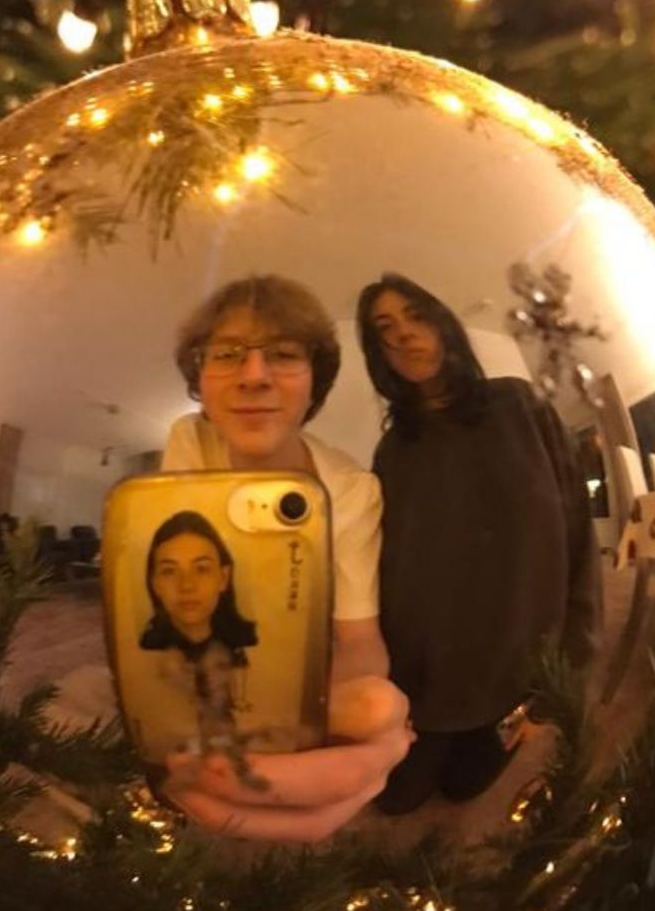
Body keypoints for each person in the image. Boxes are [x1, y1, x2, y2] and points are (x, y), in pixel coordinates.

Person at [158, 274, 411, 840]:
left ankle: (251, 788)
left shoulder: (349, 488)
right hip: (206, 671)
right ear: (200, 376)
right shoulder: (189, 443)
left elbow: (360, 639)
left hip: (305, 682)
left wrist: (314, 722)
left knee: (379, 708)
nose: (254, 376)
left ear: (314, 381)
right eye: (227, 354)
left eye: (283, 355)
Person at [356, 272, 601, 815]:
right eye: (384, 329)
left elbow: (578, 533)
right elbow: (385, 565)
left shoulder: (519, 406)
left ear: (443, 322)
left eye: (415, 316)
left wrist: (565, 671)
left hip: (513, 668)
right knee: (395, 801)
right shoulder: (393, 451)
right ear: (377, 352)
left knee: (467, 787)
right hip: (423, 677)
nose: (403, 336)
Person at [140, 511, 257, 756]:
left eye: (201, 569)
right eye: (170, 571)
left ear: (223, 577)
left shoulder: (242, 647)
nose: (187, 586)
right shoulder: (148, 653)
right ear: (155, 583)